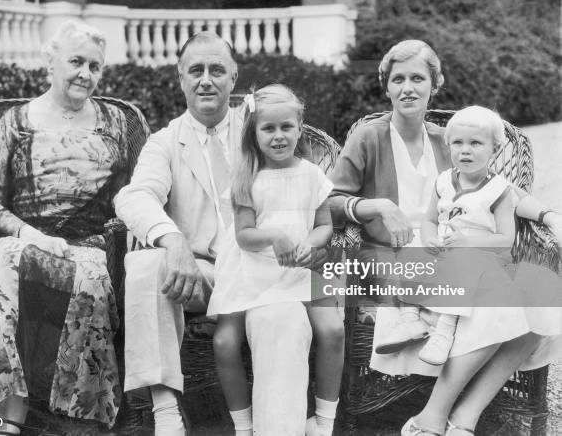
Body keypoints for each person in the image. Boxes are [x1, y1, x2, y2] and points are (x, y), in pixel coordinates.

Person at [329, 39, 562, 436]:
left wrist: (547, 214)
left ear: (434, 84)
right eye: (398, 79)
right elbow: (331, 200)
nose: (407, 88)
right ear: (385, 86)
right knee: (504, 295)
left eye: (418, 78)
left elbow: (502, 189)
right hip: (394, 258)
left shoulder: (448, 140)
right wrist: (378, 207)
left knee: (543, 293)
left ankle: (459, 416)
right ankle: (439, 413)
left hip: (456, 257)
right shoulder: (368, 137)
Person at [114, 32, 322, 435]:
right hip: (202, 274)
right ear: (181, 79)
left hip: (263, 271)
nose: (206, 80)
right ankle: (166, 413)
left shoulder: (261, 130)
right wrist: (173, 242)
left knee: (283, 316)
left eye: (216, 70)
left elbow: (312, 185)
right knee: (144, 264)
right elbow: (134, 196)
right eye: (196, 71)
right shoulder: (165, 142)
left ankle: (277, 428)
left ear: (233, 77)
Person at [0, 20, 126, 435]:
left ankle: (45, 421)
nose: (86, 73)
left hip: (84, 248)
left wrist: (111, 238)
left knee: (25, 261)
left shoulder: (114, 122)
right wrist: (33, 236)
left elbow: (126, 198)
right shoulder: (15, 121)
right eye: (76, 61)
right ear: (50, 63)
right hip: (24, 240)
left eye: (95, 66)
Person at [206, 84, 344, 436]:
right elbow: (244, 236)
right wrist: (275, 235)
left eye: (287, 127)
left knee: (333, 329)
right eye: (268, 128)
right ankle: (244, 425)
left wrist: (311, 243)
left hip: (304, 266)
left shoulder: (312, 175)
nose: (279, 136)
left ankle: (323, 422)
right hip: (254, 269)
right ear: (254, 133)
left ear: (300, 128)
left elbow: (325, 225)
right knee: (224, 342)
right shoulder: (247, 179)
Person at [376, 106, 517, 366]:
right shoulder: (443, 181)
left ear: (494, 149)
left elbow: (506, 239)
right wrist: (429, 238)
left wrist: (468, 243)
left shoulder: (499, 191)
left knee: (463, 264)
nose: (465, 150)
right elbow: (430, 220)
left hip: (480, 253)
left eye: (475, 143)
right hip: (443, 246)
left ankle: (443, 333)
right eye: (457, 143)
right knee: (408, 253)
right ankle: (410, 320)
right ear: (448, 145)